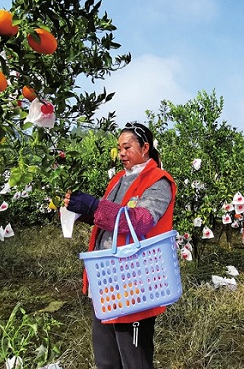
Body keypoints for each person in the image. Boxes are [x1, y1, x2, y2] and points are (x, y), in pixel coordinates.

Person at [64, 122, 177, 369]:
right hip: (106, 280)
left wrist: (94, 206)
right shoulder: (118, 179)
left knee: (134, 360)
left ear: (145, 147)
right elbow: (107, 218)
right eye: (119, 148)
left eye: (127, 147)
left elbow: (140, 221)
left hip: (135, 283)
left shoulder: (158, 182)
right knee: (106, 358)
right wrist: (82, 211)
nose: (121, 153)